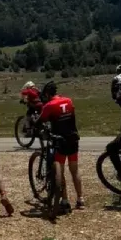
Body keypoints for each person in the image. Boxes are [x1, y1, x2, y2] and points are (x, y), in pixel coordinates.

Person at [38, 81, 85, 211]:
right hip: (73, 138)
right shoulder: (68, 101)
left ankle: (64, 200)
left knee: (60, 172)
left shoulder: (49, 105)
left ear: (47, 94)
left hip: (60, 141)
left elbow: (40, 120)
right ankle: (80, 199)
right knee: (74, 170)